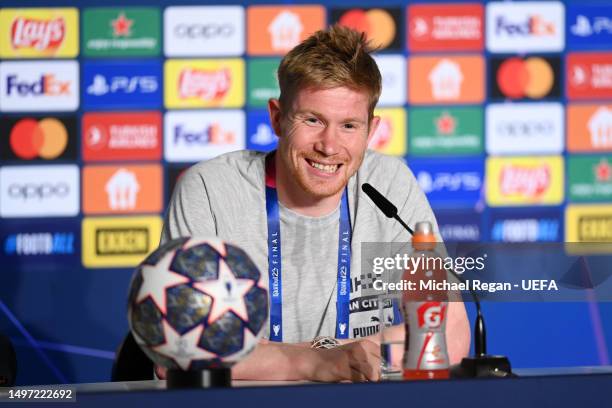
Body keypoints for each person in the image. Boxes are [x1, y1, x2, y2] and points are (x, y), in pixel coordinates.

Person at [161, 25, 470, 382]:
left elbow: (450, 334)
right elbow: (179, 350)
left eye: (349, 126)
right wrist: (314, 361)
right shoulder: (211, 190)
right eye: (312, 120)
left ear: (371, 130)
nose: (329, 145)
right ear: (277, 118)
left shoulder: (389, 185)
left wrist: (343, 356)